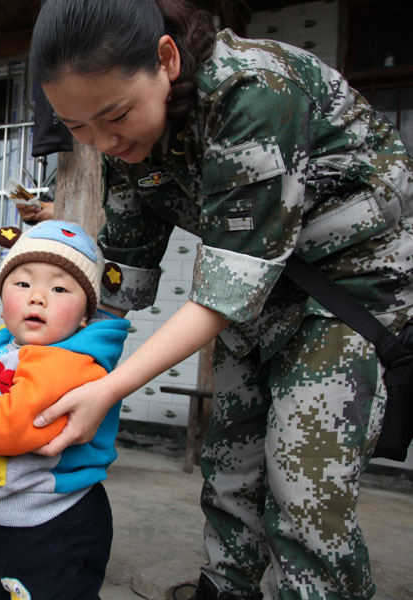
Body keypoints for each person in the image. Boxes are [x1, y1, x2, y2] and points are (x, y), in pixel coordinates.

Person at [27, 1, 413, 599]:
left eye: (115, 115)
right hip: (251, 294)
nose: (104, 141)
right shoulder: (127, 145)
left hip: (344, 293)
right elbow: (121, 277)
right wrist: (53, 364)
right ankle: (225, 587)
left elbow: (226, 291)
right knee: (231, 464)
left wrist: (108, 388)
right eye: (78, 128)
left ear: (165, 59)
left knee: (304, 487)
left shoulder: (253, 93)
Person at [0, 220, 130, 600]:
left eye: (59, 288)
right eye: (22, 283)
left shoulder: (72, 361)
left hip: (52, 522)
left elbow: (7, 427)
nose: (37, 297)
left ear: (84, 316)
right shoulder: (5, 341)